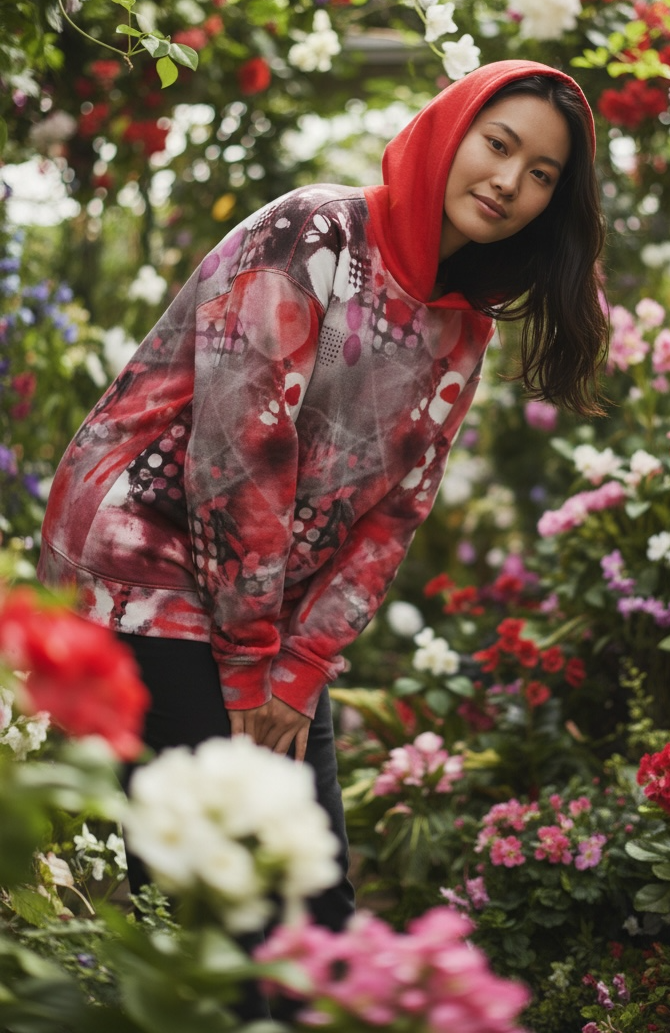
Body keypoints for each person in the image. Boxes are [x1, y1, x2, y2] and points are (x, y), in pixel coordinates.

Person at [37, 58, 607, 965]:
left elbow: (396, 516)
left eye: (542, 176)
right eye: (498, 146)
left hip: (256, 603)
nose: (510, 183)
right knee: (227, 893)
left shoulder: (463, 326)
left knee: (318, 886)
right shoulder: (318, 232)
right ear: (449, 131)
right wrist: (256, 668)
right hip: (142, 559)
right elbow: (239, 459)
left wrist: (297, 671)